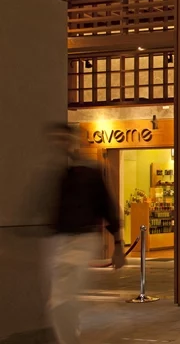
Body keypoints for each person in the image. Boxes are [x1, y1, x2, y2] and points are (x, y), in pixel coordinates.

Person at [47, 123, 125, 344]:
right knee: (62, 297)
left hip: (81, 238)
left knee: (60, 299)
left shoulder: (89, 172)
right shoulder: (58, 173)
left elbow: (107, 207)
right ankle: (74, 333)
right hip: (60, 240)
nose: (59, 144)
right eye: (55, 139)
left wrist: (118, 245)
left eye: (63, 139)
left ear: (74, 141)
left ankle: (79, 334)